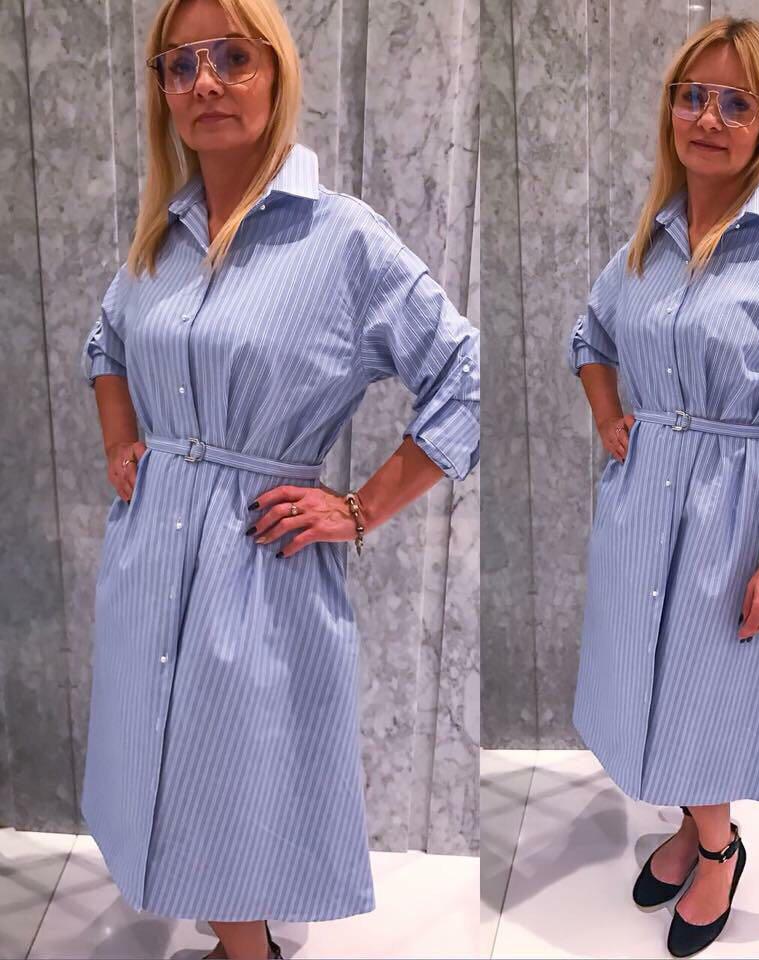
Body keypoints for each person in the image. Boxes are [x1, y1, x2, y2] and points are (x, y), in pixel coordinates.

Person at [79, 1, 479, 958]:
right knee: (160, 754)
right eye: (181, 64)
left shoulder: (341, 240)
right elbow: (107, 342)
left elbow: (462, 375)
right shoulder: (163, 236)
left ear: (277, 71)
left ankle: (247, 949)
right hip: (151, 551)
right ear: (162, 90)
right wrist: (122, 440)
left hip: (256, 558)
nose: (206, 82)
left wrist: (359, 508)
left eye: (232, 56)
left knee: (234, 772)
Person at [566, 16, 759, 958]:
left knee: (705, 685)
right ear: (671, 111)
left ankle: (720, 849)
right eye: (693, 96)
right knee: (653, 678)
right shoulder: (645, 248)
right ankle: (694, 826)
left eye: (736, 103)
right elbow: (590, 336)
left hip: (735, 511)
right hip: (644, 502)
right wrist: (609, 414)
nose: (710, 118)